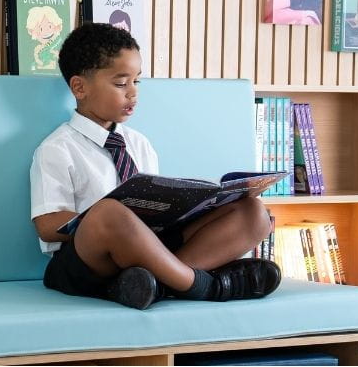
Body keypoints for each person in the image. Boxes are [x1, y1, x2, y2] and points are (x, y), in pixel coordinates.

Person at [31, 23, 282, 310]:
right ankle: (203, 285)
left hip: (150, 248)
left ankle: (155, 285)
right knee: (109, 212)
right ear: (80, 87)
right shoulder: (57, 148)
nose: (133, 94)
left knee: (253, 211)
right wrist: (113, 219)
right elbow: (47, 226)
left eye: (137, 82)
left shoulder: (139, 144)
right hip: (87, 263)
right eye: (121, 83)